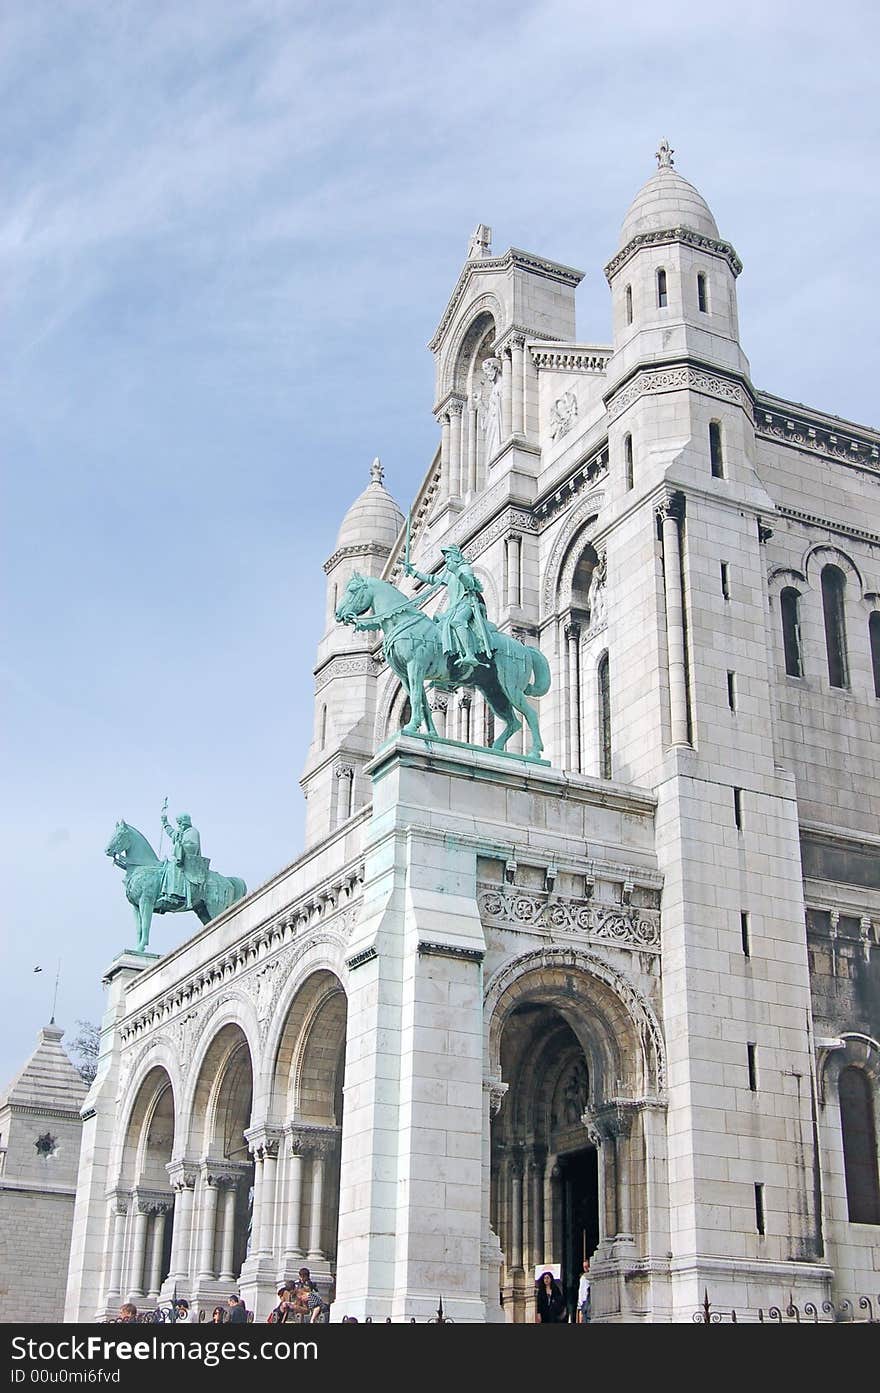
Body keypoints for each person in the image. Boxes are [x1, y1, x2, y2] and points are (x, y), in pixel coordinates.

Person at [404, 545, 493, 680]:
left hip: (467, 603)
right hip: (454, 607)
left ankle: (470, 654)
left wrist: (457, 571)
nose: (447, 561)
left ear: (456, 556)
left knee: (457, 621)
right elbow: (433, 579)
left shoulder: (464, 568)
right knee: (437, 625)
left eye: (449, 557)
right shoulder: (449, 574)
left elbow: (470, 585)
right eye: (445, 558)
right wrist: (414, 573)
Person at [160, 811, 208, 909]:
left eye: (180, 823)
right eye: (178, 823)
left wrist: (181, 845)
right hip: (182, 859)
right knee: (168, 865)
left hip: (190, 862)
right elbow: (172, 833)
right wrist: (165, 823)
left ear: (185, 822)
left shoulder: (192, 832)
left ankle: (176, 895)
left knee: (174, 867)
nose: (179, 825)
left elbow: (192, 846)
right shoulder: (182, 832)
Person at [577, 1259, 591, 1324]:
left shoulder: (590, 1276)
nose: (585, 1268)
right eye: (584, 1267)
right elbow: (581, 1292)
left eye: (587, 1266)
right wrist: (580, 1305)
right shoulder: (583, 1277)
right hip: (584, 1303)